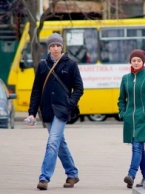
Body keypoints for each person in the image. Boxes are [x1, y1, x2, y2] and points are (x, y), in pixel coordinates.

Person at [25, 33, 83, 190]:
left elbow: (79, 88)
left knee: (52, 142)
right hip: (47, 111)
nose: (55, 48)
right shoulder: (43, 66)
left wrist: (70, 104)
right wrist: (32, 112)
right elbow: (36, 90)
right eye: (52, 46)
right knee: (59, 143)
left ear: (61, 46)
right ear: (48, 48)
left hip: (62, 111)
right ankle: (72, 174)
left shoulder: (71, 64)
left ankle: (44, 178)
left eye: (58, 45)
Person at [117, 49, 145, 189]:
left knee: (136, 146)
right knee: (138, 148)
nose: (136, 63)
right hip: (130, 119)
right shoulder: (125, 78)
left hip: (143, 119)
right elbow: (121, 99)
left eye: (138, 60)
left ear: (143, 62)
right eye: (133, 60)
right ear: (130, 61)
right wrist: (123, 112)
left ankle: (131, 174)